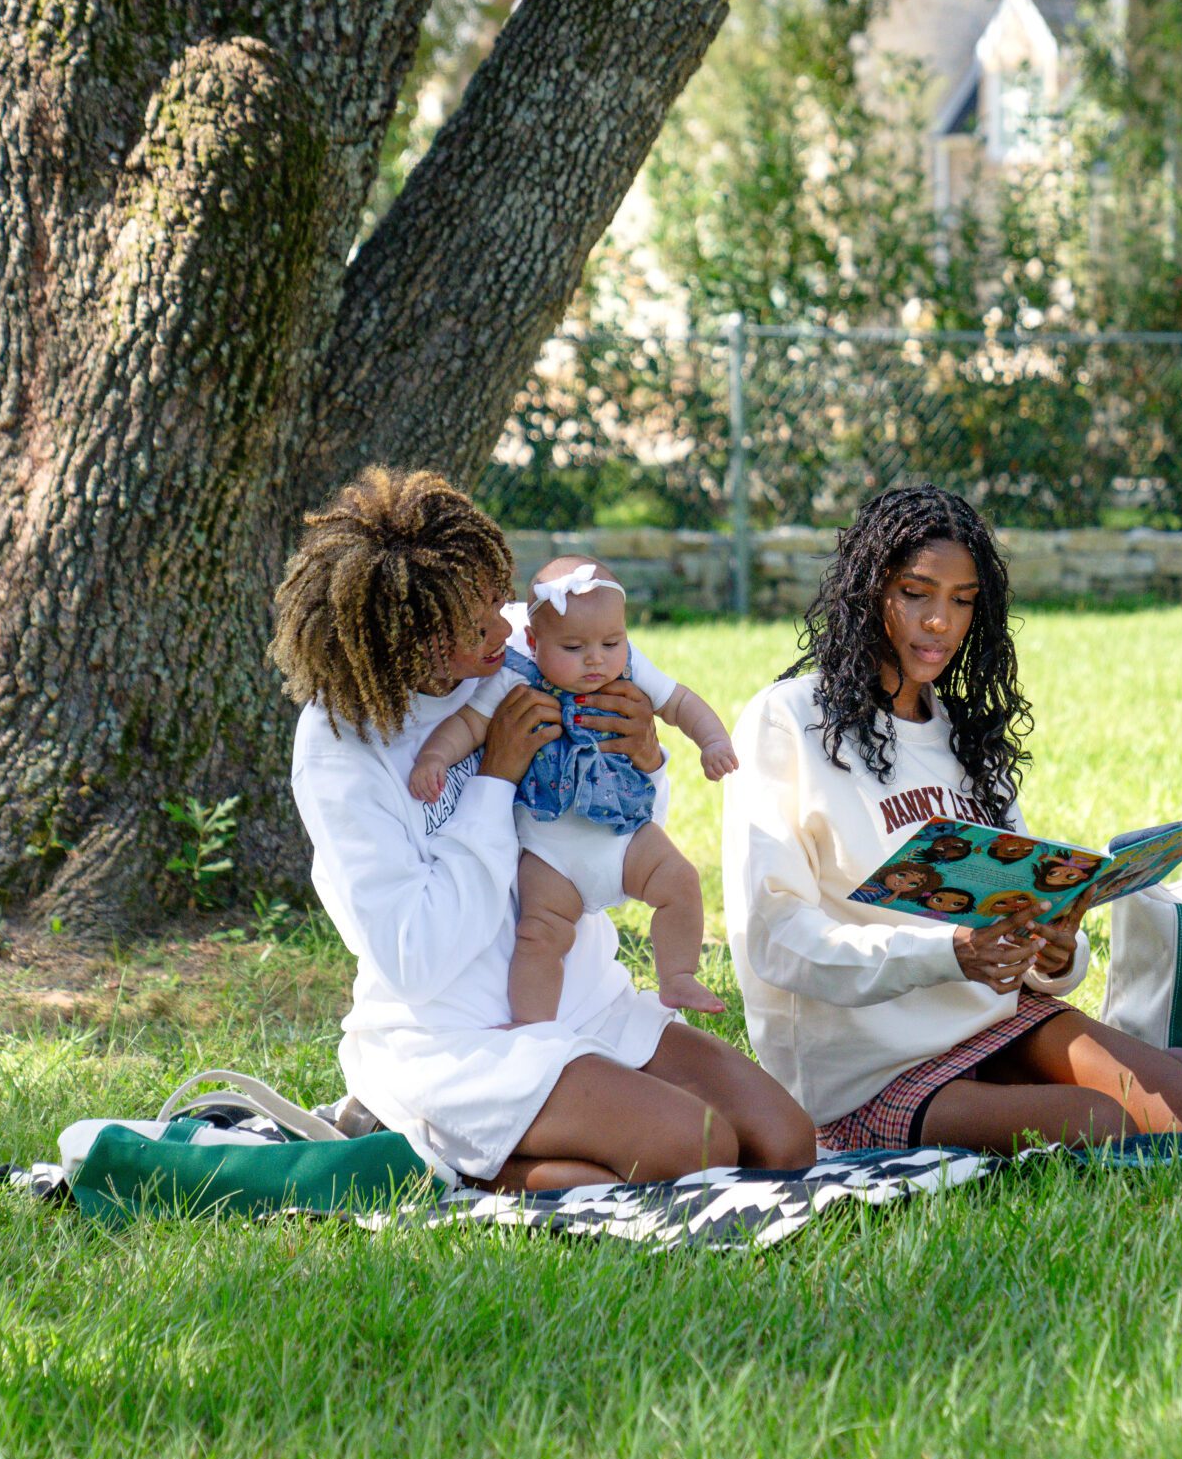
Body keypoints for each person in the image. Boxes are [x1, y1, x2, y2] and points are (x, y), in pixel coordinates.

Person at [274, 467, 815, 1188]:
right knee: (698, 1147)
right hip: (461, 1038)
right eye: (476, 628)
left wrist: (647, 761)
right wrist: (494, 779)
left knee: (786, 1142)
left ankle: (512, 1145)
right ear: (406, 643)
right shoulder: (344, 743)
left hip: (585, 998)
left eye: (498, 603)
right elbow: (417, 957)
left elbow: (604, 859)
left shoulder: (537, 645)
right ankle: (431, 1152)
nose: (505, 628)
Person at [725, 484, 1182, 1153]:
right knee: (1105, 1127)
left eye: (962, 600)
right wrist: (951, 953)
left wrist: (1056, 950)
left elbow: (1016, 914)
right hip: (868, 1067)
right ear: (868, 588)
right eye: (917, 592)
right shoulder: (789, 720)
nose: (940, 620)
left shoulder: (966, 741)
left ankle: (1058, 1096)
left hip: (992, 1022)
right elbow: (776, 936)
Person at [409, 555, 737, 1023]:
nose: (595, 658)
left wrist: (712, 741)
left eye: (611, 641)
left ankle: (678, 974)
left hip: (625, 837)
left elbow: (679, 701)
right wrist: (435, 757)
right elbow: (468, 724)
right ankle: (532, 1026)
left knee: (681, 881)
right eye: (574, 646)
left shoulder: (630, 669)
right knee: (539, 938)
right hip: (549, 850)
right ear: (534, 642)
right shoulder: (514, 678)